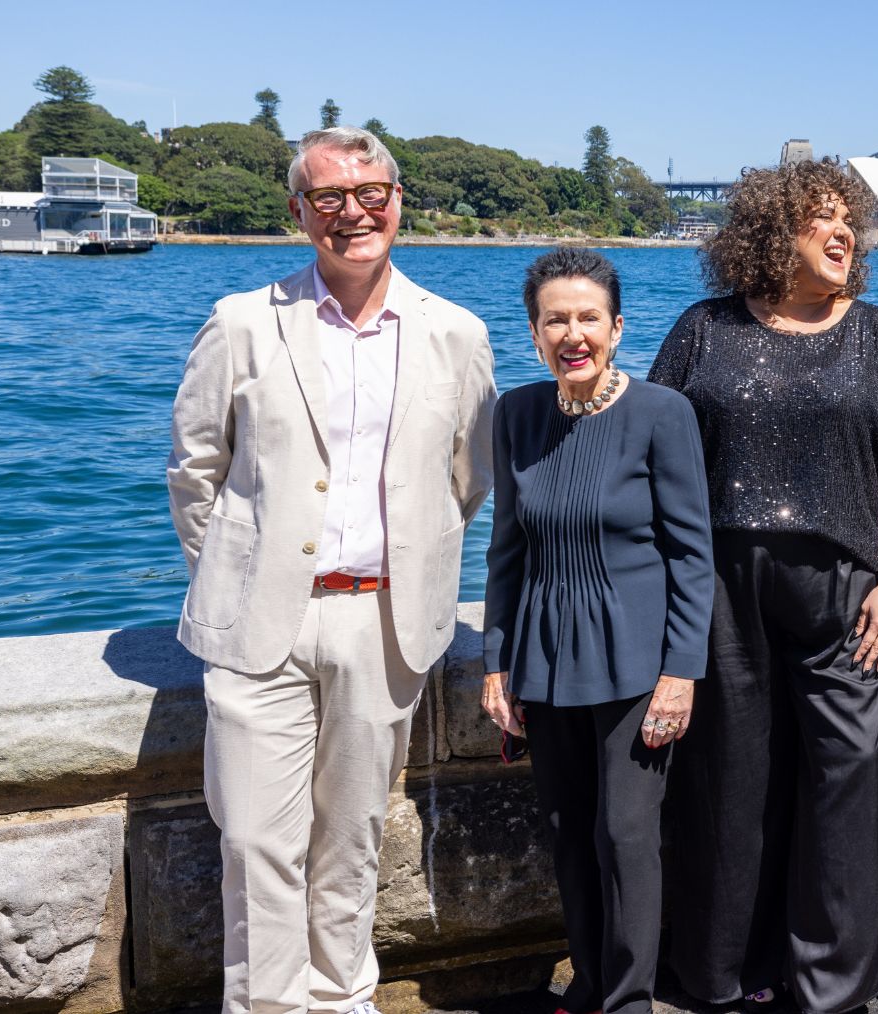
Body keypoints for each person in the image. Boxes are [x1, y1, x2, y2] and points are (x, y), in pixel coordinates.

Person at [167, 126, 495, 1014]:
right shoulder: (242, 322)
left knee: (350, 837)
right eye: (328, 198)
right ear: (297, 212)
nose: (353, 213)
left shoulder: (457, 335)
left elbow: (465, 481)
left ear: (398, 201)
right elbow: (195, 469)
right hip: (259, 620)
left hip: (383, 623)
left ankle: (344, 999)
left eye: (370, 193)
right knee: (256, 845)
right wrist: (239, 573)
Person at [650, 159, 878, 1014]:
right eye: (824, 219)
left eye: (852, 221)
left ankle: (832, 986)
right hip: (724, 586)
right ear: (775, 232)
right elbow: (655, 451)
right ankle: (721, 973)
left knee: (847, 780)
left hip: (843, 588)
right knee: (729, 782)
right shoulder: (704, 328)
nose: (846, 232)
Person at [479, 248, 714, 1014]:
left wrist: (681, 672)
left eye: (589, 319)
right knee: (568, 834)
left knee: (625, 836)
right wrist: (496, 663)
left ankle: (630, 1000)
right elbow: (507, 550)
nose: (573, 334)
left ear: (617, 328)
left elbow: (692, 554)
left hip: (637, 662)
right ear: (534, 332)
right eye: (556, 320)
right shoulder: (515, 415)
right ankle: (587, 985)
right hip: (546, 661)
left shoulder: (661, 413)